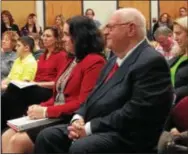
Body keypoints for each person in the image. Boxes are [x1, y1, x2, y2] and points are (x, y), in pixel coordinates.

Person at [33, 8, 174, 154]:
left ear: (131, 29)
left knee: (82, 147)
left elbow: (136, 112)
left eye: (110, 27)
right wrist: (78, 118)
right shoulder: (113, 61)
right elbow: (91, 97)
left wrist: (89, 128)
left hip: (127, 136)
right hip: (100, 126)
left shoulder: (151, 61)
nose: (105, 32)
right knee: (48, 136)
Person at [2, 15, 106, 153]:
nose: (63, 39)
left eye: (67, 35)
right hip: (55, 113)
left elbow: (83, 103)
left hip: (70, 118)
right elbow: (58, 96)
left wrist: (46, 111)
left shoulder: (94, 61)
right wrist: (40, 107)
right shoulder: (73, 59)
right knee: (6, 135)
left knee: (18, 141)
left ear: (80, 36)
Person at [1, 27, 67, 131]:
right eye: (43, 35)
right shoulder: (43, 55)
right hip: (36, 86)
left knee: (13, 90)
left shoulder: (61, 56)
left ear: (56, 39)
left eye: (48, 36)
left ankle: (7, 125)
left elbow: (60, 82)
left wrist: (37, 84)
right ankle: (7, 124)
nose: (44, 38)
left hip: (49, 89)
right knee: (11, 92)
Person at [169, 16, 188, 103]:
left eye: (178, 33)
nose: (175, 38)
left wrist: (174, 95)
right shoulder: (177, 56)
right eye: (174, 34)